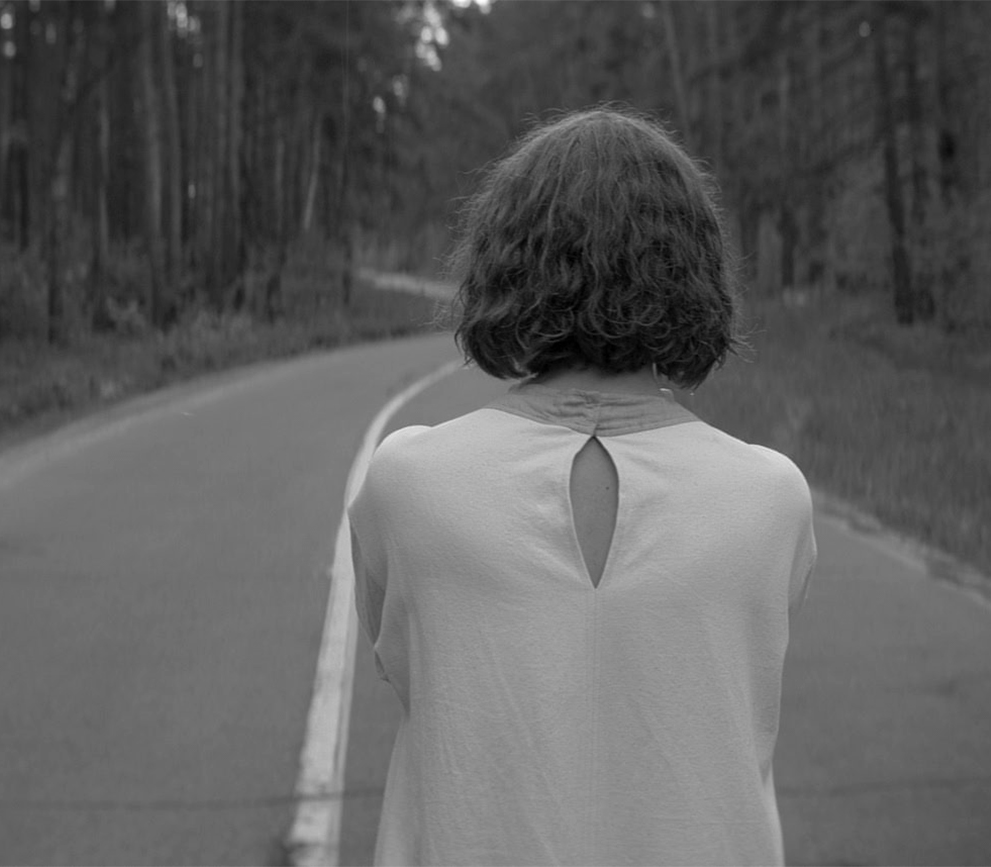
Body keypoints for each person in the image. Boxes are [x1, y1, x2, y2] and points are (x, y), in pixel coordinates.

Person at [347, 107, 817, 866]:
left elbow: (405, 664)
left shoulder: (409, 480)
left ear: (506, 266)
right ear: (692, 273)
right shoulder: (771, 497)